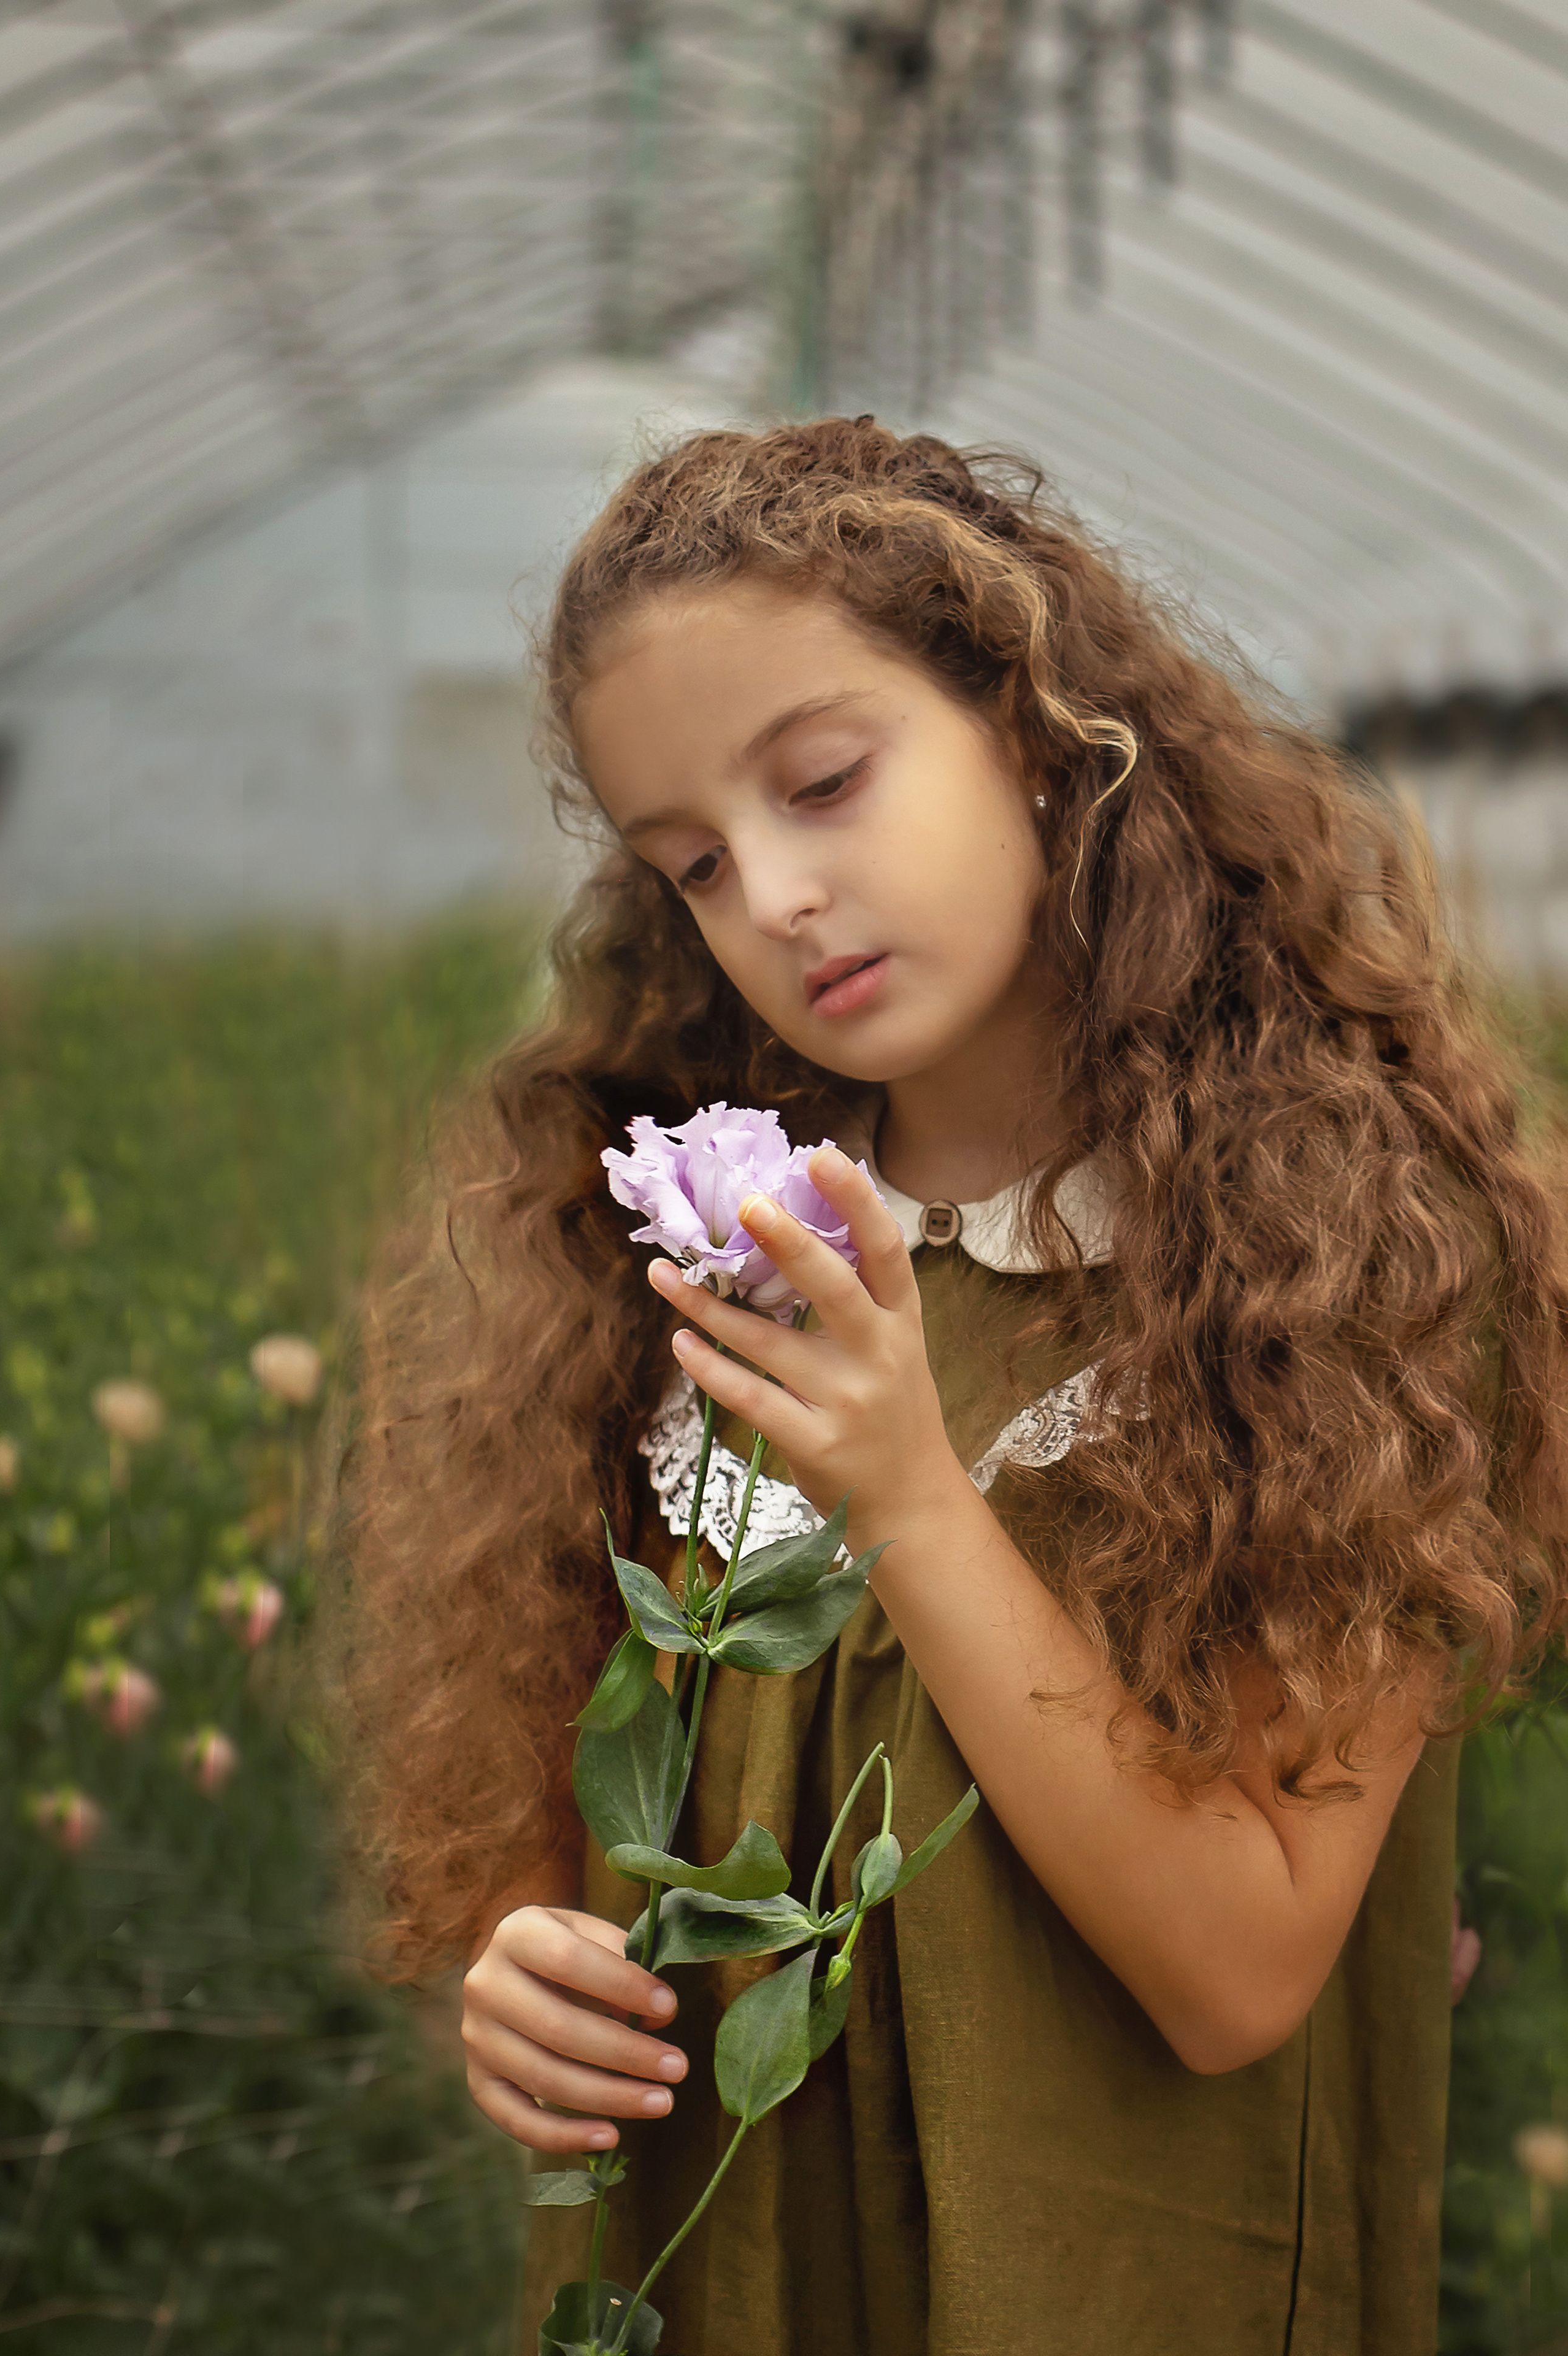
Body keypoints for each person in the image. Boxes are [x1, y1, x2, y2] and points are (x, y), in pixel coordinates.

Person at [342, 418, 1568, 2355]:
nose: (780, 895)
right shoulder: (687, 1245)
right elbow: (604, 1758)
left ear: (1030, 718)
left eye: (825, 782)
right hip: (724, 2270)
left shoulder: (1347, 1262)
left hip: (1110, 2277)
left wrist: (911, 1497)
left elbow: (1238, 1973)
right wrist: (520, 1950)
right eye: (699, 866)